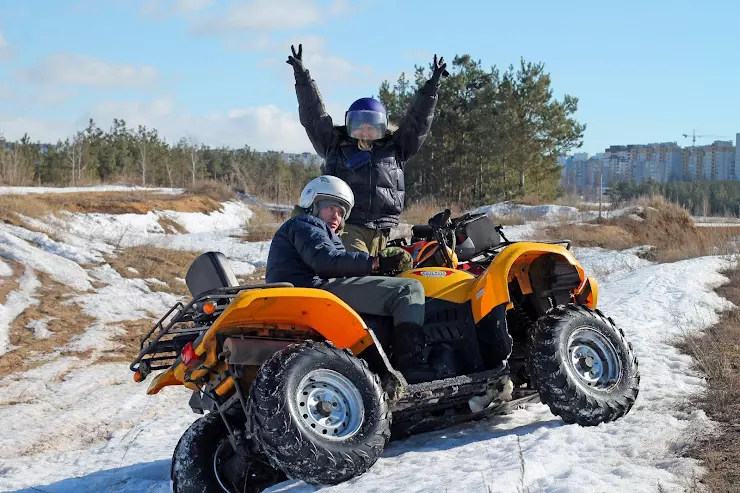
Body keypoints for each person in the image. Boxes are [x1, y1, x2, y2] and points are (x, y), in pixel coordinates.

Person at [265, 175, 435, 383]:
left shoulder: (312, 230)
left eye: (341, 212)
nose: (336, 216)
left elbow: (334, 263)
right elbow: (325, 260)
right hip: (313, 290)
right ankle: (411, 365)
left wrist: (376, 271)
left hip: (309, 289)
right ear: (313, 205)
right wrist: (375, 263)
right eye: (331, 208)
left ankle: (382, 369)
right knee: (408, 290)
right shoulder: (305, 223)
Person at [286, 44, 449, 256]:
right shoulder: (336, 145)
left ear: (382, 127)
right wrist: (302, 77)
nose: (365, 132)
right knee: (358, 268)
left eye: (371, 127)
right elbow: (313, 116)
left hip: (383, 230)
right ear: (349, 125)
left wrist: (432, 87)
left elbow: (418, 122)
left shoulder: (396, 148)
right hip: (348, 226)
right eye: (359, 126)